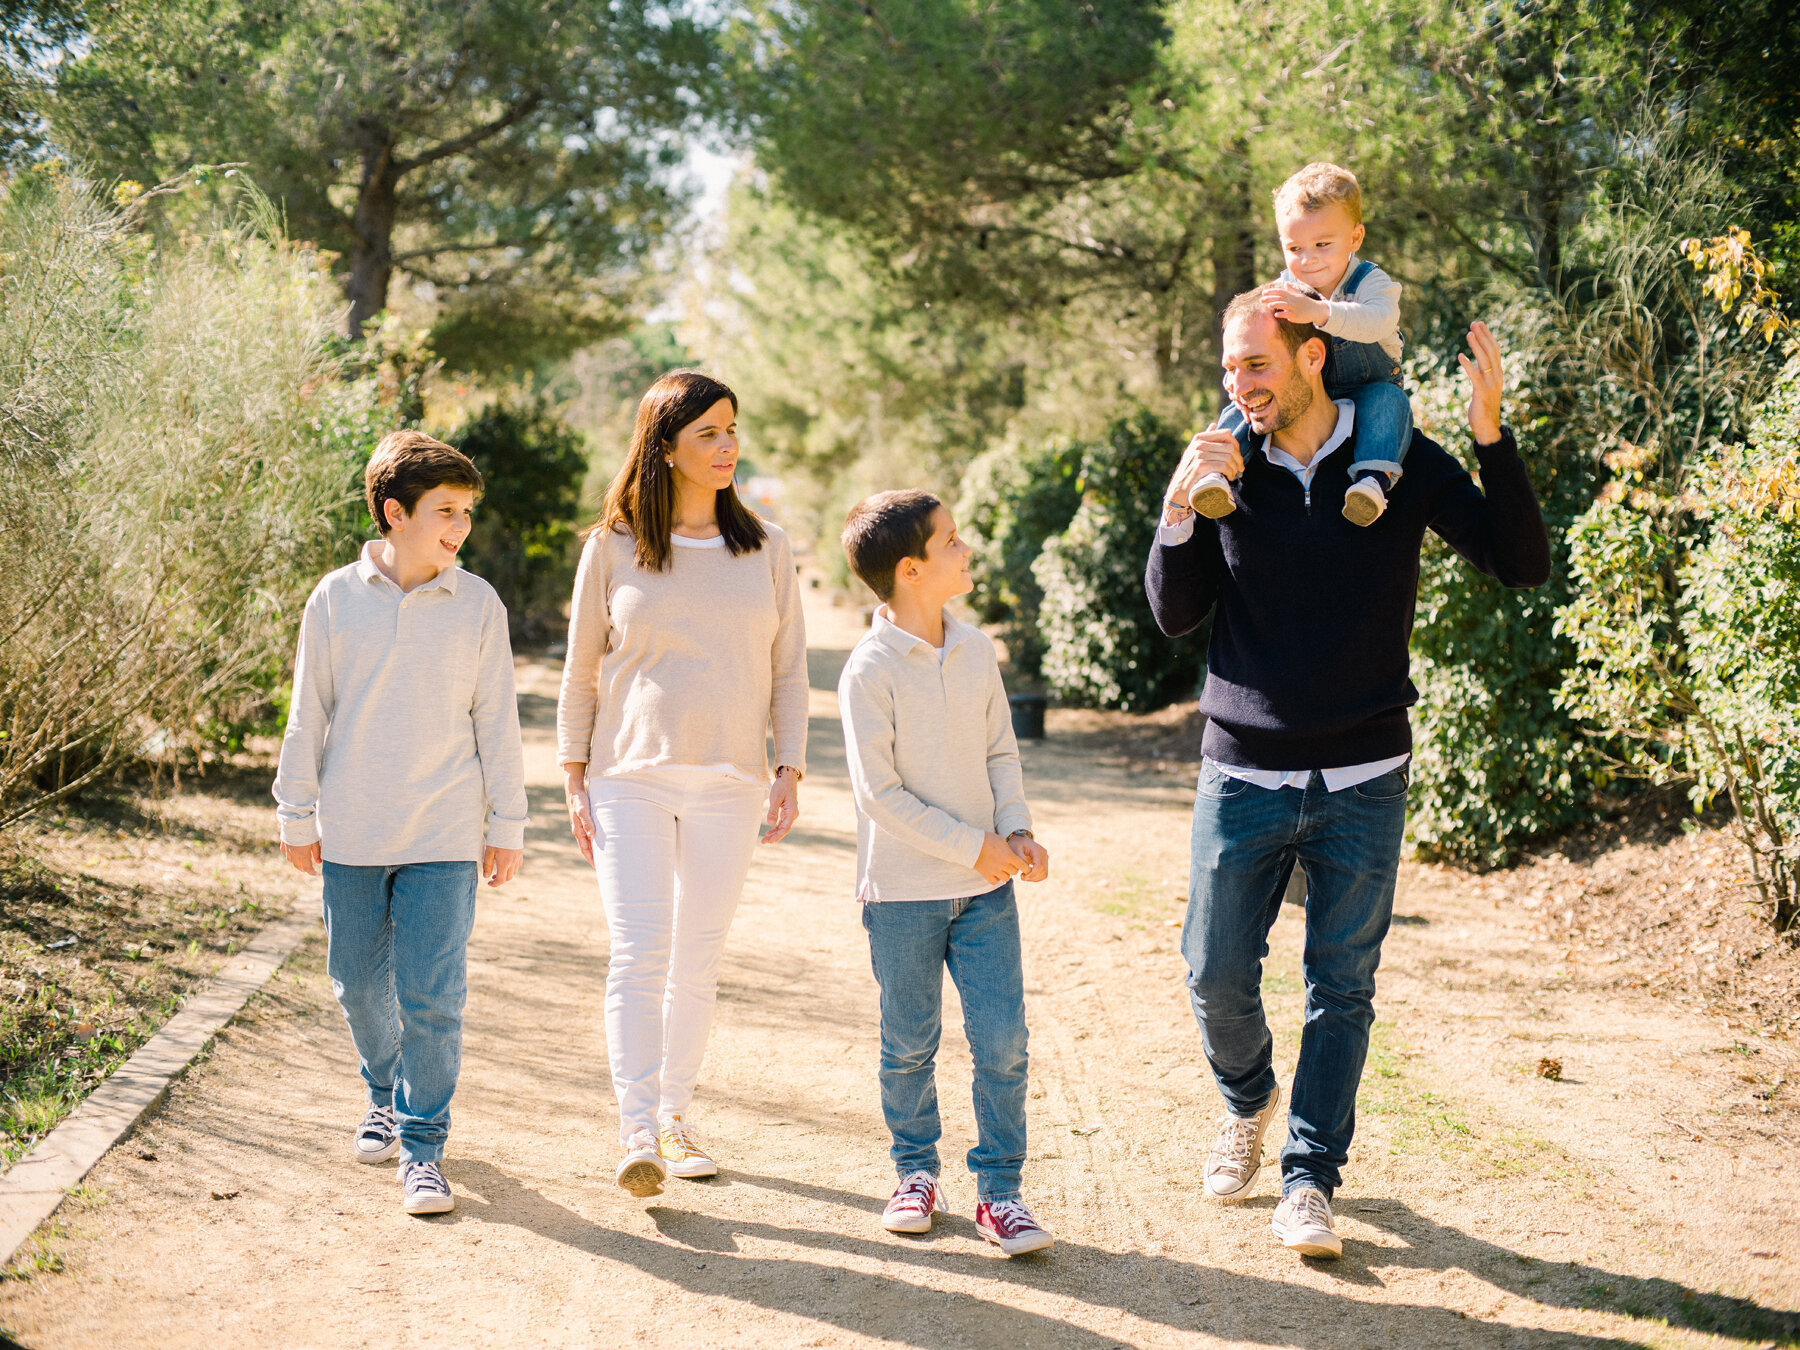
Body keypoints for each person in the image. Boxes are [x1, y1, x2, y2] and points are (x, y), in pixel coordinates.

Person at [1148, 298, 1549, 1258]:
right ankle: (1247, 1099)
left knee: (1342, 986)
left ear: (1313, 356)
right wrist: (1178, 509)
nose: (1240, 386)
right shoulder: (1222, 467)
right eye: (1229, 370)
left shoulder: (1396, 457)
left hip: (1366, 769)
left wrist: (1490, 437)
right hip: (1243, 771)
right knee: (1211, 971)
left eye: (1255, 366)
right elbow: (1174, 615)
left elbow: (1520, 561)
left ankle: (1309, 1179)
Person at [557, 370, 807, 1197]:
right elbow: (581, 673)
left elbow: (791, 672)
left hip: (732, 779)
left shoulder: (767, 548)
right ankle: (635, 1130)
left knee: (696, 961)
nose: (727, 445)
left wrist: (788, 767)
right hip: (628, 776)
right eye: (707, 433)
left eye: (732, 428)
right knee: (638, 953)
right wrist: (572, 777)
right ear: (664, 447)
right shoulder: (612, 547)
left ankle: (673, 1114)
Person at [273, 430, 527, 1217]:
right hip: (351, 829)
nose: (461, 527)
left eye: (467, 513)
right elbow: (308, 711)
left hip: (444, 835)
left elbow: (499, 721)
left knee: (434, 996)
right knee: (355, 985)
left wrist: (507, 823)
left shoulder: (477, 601)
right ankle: (381, 1089)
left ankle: (423, 1146)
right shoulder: (335, 598)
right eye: (446, 511)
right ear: (395, 513)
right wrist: (296, 809)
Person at [837, 490, 1055, 1258]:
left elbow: (1001, 750)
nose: (965, 551)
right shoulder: (867, 671)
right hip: (902, 896)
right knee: (909, 1044)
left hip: (989, 894)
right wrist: (975, 846)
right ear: (910, 569)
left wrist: (1017, 828)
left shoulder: (977, 650)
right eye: (951, 542)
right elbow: (880, 797)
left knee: (1003, 1043)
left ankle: (1000, 1193)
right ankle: (915, 1174)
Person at [1188, 161, 1413, 528]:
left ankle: (1371, 483)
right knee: (1241, 404)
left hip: (1369, 388)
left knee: (1391, 407)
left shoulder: (1372, 282)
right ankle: (1219, 474)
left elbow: (1378, 322)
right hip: (1310, 393)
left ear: (1355, 238)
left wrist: (1317, 311)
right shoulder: (1285, 286)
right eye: (1295, 248)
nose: (1307, 260)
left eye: (1322, 245)